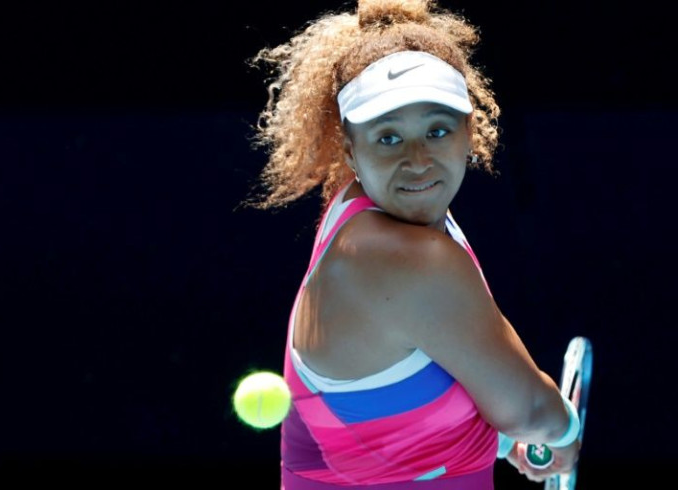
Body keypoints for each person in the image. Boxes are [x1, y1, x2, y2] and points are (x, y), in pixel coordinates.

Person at [243, 0, 581, 488]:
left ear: (469, 133)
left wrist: (503, 444)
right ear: (350, 150)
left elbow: (410, 376)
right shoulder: (406, 259)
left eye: (437, 131)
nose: (417, 160)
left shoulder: (361, 214)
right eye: (388, 138)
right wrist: (564, 436)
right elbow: (530, 409)